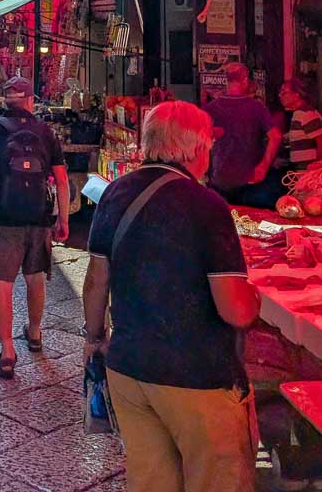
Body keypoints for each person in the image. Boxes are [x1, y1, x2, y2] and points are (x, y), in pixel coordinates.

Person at [83, 101, 261, 492]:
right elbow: (235, 309)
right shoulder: (207, 206)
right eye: (208, 148)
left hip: (129, 371)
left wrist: (94, 338)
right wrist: (255, 299)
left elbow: (96, 281)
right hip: (196, 378)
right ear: (194, 149)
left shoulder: (114, 193)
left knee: (151, 481)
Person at [0, 76, 69, 378]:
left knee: (3, 282)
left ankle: (6, 350)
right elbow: (62, 179)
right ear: (30, 100)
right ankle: (35, 331)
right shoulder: (46, 132)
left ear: (5, 100)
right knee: (35, 277)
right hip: (38, 215)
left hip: (4, 216)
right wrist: (64, 218)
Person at [204, 62, 282, 208]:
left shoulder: (211, 108)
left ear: (226, 80)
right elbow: (275, 136)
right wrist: (263, 166)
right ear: (245, 79)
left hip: (219, 178)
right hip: (250, 179)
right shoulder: (256, 107)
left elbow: (200, 140)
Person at [278, 77, 322, 170]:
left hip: (308, 168)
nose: (280, 96)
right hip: (301, 167)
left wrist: (316, 168)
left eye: (284, 92)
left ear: (297, 94)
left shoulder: (306, 113)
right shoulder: (298, 114)